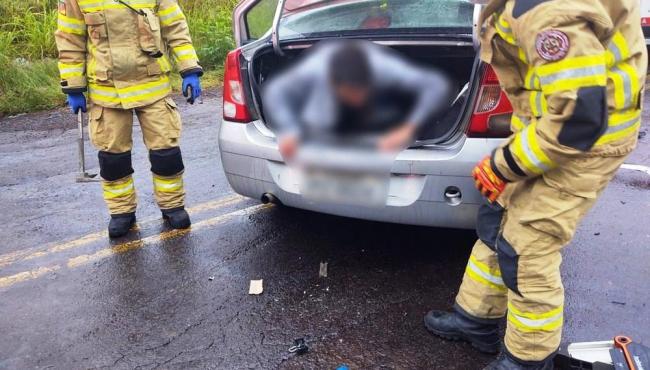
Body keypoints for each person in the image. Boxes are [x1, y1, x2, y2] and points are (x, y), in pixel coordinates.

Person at [424, 0, 647, 369]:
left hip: (586, 145)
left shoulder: (550, 12)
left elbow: (579, 120)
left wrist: (503, 165)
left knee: (528, 248)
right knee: (497, 222)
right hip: (545, 132)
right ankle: (474, 319)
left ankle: (528, 359)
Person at [55, 0, 203, 238]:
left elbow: (174, 26)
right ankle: (121, 212)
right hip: (106, 90)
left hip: (152, 84)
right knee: (113, 158)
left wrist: (190, 69)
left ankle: (172, 206)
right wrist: (73, 86)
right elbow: (70, 39)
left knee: (166, 151)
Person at [261, 40, 452, 159]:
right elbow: (275, 91)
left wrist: (409, 127)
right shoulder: (314, 72)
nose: (358, 99)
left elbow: (437, 84)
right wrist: (288, 129)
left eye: (362, 91)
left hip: (380, 107)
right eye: (351, 92)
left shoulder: (384, 67)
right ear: (333, 83)